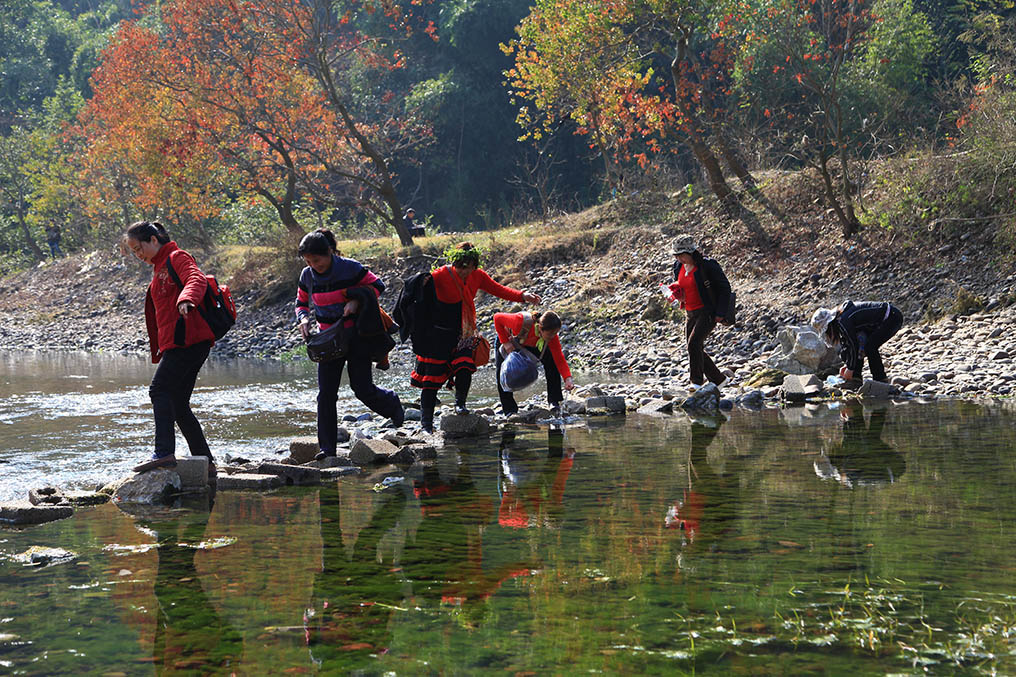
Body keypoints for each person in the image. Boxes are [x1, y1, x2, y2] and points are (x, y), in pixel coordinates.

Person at [396, 242, 540, 433]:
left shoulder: (478, 276)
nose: (464, 271)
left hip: (463, 331)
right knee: (431, 379)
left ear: (475, 266)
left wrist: (523, 296)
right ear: (454, 263)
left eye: (469, 267)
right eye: (461, 267)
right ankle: (426, 424)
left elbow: (498, 289)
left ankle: (460, 404)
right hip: (437, 333)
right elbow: (415, 295)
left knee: (465, 365)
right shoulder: (439, 275)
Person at [296, 229, 404, 459]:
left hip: (357, 337)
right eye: (308, 261)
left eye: (317, 260)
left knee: (362, 389)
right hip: (328, 341)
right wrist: (303, 319)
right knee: (326, 395)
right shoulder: (307, 275)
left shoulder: (350, 267)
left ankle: (392, 404)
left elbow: (378, 285)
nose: (314, 265)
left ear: (329, 252)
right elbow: (301, 303)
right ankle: (327, 448)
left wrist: (356, 300)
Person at [123, 221, 217, 474]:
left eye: (138, 248)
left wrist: (187, 299)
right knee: (178, 403)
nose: (138, 255)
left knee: (159, 390)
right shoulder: (158, 267)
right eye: (133, 252)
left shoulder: (176, 256)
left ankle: (164, 453)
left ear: (154, 240)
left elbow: (196, 278)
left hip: (187, 340)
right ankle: (206, 462)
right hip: (181, 342)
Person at [665, 236, 733, 387]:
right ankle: (719, 380)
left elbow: (725, 288)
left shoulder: (708, 266)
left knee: (694, 344)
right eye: (676, 255)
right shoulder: (678, 266)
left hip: (707, 311)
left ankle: (695, 382)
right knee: (693, 346)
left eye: (681, 254)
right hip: (690, 311)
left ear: (691, 252)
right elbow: (682, 287)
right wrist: (676, 295)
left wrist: (720, 313)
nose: (678, 258)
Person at [493, 310, 575, 416]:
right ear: (540, 328)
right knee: (502, 374)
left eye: (555, 333)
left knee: (552, 361)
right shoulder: (520, 321)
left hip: (533, 344)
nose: (553, 336)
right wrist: (505, 342)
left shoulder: (551, 336)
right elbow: (497, 317)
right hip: (509, 340)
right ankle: (509, 410)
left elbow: (559, 357)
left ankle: (554, 401)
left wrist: (567, 378)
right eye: (550, 333)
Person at [810, 300, 903, 383]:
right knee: (858, 344)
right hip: (879, 321)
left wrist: (850, 368)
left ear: (829, 325)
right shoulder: (841, 318)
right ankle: (856, 377)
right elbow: (849, 345)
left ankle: (880, 379)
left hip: (892, 318)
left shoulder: (843, 320)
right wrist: (848, 365)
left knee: (870, 347)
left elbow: (852, 345)